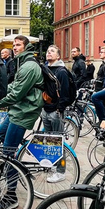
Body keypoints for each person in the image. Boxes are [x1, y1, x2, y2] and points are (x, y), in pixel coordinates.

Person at [0, 36, 43, 209]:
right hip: (17, 109)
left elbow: (18, 93)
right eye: (13, 45)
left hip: (24, 111)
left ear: (26, 47)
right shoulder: (21, 63)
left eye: (18, 45)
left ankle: (11, 196)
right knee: (1, 132)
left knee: (8, 153)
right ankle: (18, 161)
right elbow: (13, 87)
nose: (15, 47)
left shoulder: (29, 66)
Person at [40, 45, 74, 183]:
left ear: (58, 56)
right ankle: (53, 166)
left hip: (55, 111)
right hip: (46, 109)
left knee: (58, 143)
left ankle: (61, 171)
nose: (49, 52)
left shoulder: (61, 71)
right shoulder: (46, 69)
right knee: (49, 141)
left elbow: (65, 93)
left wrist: (59, 108)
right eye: (48, 50)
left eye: (52, 51)